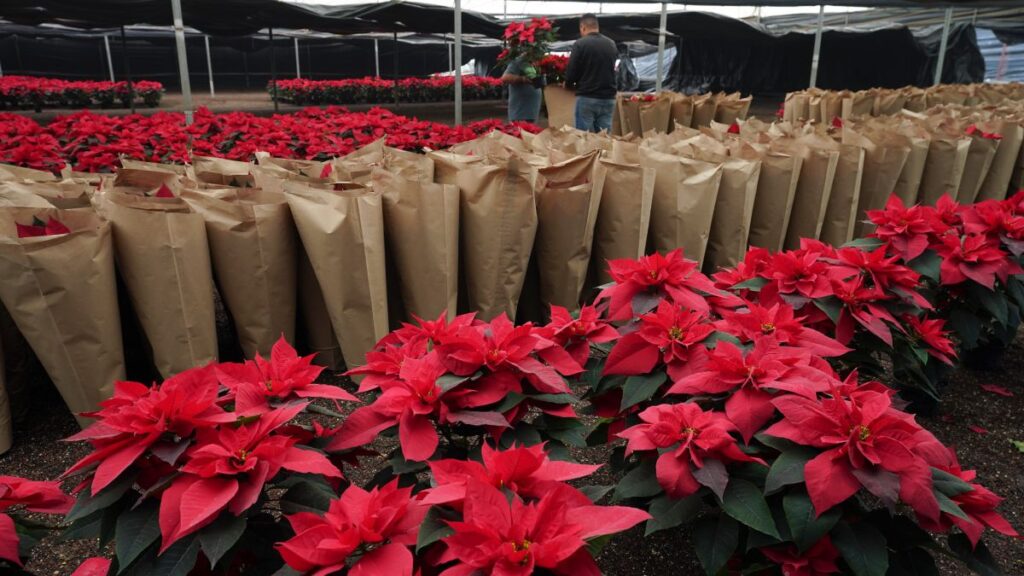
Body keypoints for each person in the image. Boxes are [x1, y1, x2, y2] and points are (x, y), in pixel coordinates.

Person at [565, 13, 618, 133]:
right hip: (608, 98)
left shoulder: (580, 44)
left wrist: (568, 84)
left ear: (583, 27)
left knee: (585, 138)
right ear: (596, 26)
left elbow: (572, 70)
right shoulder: (611, 44)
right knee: (604, 138)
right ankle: (603, 152)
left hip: (587, 97)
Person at [502, 56, 543, 123]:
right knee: (520, 131)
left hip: (532, 110)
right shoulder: (518, 61)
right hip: (520, 112)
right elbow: (505, 78)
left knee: (530, 131)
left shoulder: (534, 62)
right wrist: (523, 79)